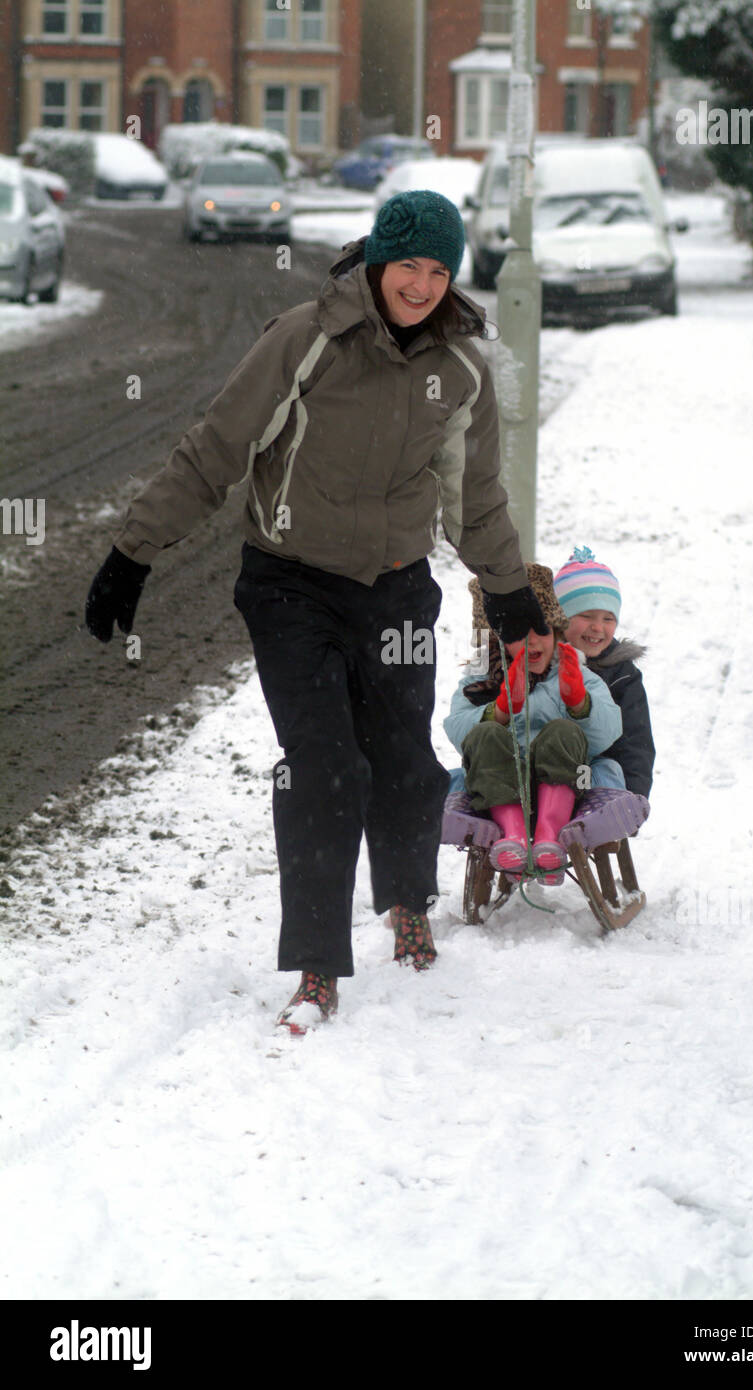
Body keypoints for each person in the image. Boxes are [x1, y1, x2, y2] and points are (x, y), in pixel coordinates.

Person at [84, 189, 548, 1035]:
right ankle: (315, 968)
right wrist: (133, 551)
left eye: (438, 270)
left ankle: (408, 902)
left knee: (406, 759)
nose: (421, 284)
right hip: (291, 584)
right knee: (323, 765)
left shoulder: (462, 367)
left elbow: (472, 500)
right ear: (376, 260)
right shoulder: (305, 339)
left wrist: (510, 591)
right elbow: (216, 448)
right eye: (407, 264)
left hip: (398, 586)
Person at [444, 565, 622, 883]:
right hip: (496, 790)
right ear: (496, 640)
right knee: (484, 734)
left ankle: (549, 836)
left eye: (541, 631)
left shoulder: (574, 673)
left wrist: (579, 704)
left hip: (568, 787)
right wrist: (499, 712)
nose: (533, 643)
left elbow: (608, 734)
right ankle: (512, 836)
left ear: (555, 631)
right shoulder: (478, 680)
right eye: (517, 635)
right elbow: (457, 730)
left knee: (563, 731)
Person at [553, 547, 655, 799]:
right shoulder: (540, 664)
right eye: (586, 615)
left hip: (603, 785)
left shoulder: (623, 675)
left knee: (604, 770)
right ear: (560, 618)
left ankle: (606, 815)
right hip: (547, 777)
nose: (597, 627)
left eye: (608, 619)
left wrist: (634, 798)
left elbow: (636, 743)